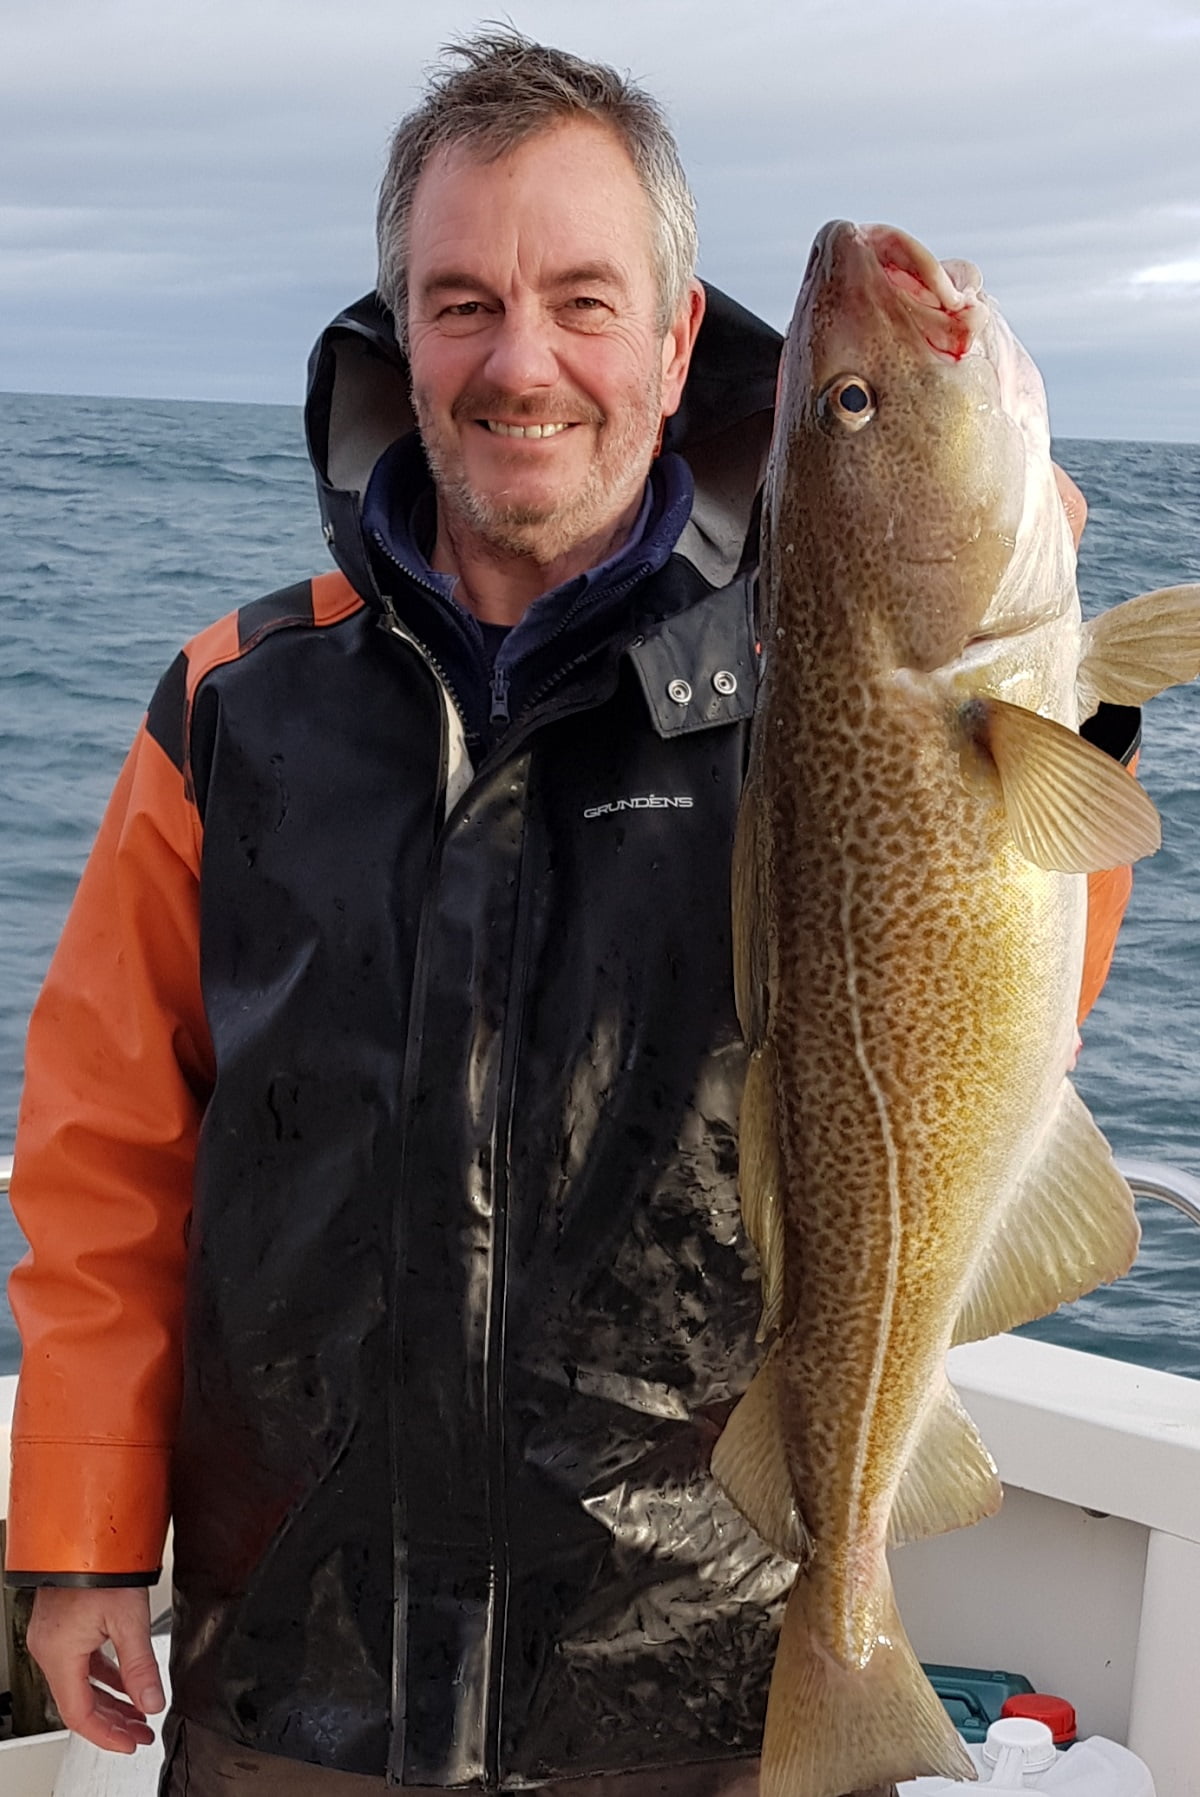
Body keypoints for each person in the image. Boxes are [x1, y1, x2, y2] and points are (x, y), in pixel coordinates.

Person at [4, 30, 1135, 1797]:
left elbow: (998, 1009)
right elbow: (106, 1150)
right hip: (292, 1676)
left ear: (681, 343)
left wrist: (1066, 705)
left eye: (584, 300)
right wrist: (76, 1531)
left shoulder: (813, 687)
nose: (521, 360)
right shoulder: (234, 701)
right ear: (402, 331)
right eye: (463, 301)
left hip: (687, 1679)